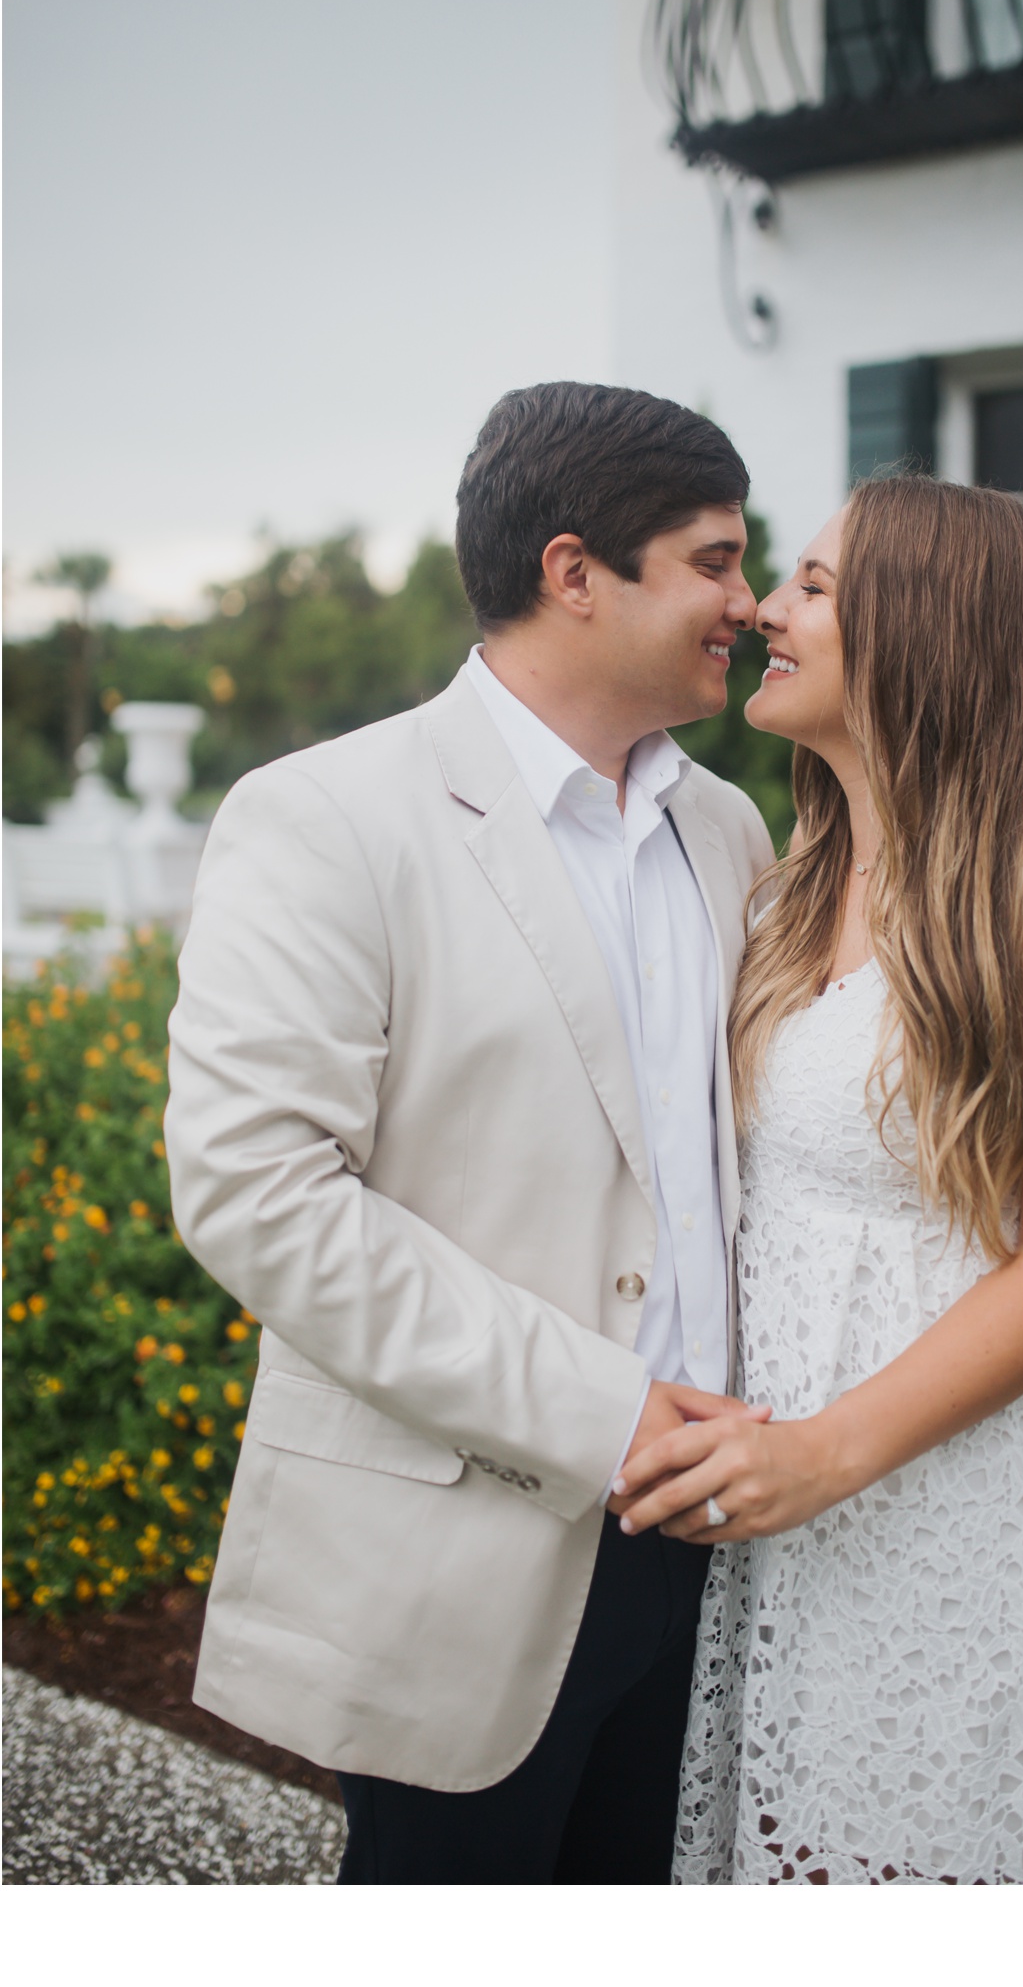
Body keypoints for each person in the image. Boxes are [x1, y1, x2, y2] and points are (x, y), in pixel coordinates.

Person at [164, 381, 776, 1884]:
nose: (747, 605)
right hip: (467, 1549)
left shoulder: (730, 835)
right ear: (575, 572)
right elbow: (259, 1197)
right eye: (713, 560)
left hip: (725, 1550)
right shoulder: (328, 818)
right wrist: (604, 1412)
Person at [614, 475, 1023, 1885]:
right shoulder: (793, 872)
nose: (765, 612)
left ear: (924, 628)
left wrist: (826, 1453)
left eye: (811, 585)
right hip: (761, 1477)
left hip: (931, 1475)